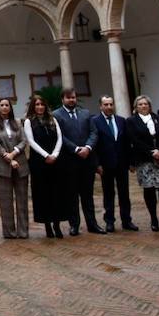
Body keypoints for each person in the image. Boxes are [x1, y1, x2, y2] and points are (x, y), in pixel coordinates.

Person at [53, 88, 103, 235]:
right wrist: (76, 149)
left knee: (88, 195)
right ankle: (74, 225)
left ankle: (92, 224)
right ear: (62, 99)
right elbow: (60, 135)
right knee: (72, 195)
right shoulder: (56, 115)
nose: (71, 100)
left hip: (87, 160)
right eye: (68, 98)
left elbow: (94, 132)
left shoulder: (86, 113)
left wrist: (87, 147)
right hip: (70, 161)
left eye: (73, 97)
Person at [124, 95, 159, 232]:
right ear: (136, 107)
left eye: (146, 104)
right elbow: (134, 140)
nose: (143, 106)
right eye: (140, 104)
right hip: (145, 160)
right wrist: (151, 152)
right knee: (150, 190)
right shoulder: (131, 121)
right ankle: (154, 219)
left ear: (150, 105)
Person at [24, 95, 69, 238]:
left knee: (56, 192)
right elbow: (31, 141)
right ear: (33, 106)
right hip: (39, 162)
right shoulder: (28, 122)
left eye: (42, 104)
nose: (39, 107)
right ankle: (48, 225)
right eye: (37, 104)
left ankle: (57, 224)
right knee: (42, 193)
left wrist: (55, 154)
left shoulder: (53, 119)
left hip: (55, 161)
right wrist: (46, 156)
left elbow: (60, 138)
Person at [93, 96, 138, 232]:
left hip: (122, 163)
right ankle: (109, 221)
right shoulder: (95, 121)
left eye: (111, 104)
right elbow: (94, 145)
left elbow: (127, 143)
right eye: (106, 104)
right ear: (101, 106)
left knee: (124, 193)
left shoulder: (121, 121)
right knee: (108, 193)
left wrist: (131, 162)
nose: (109, 107)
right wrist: (97, 164)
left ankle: (126, 220)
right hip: (106, 164)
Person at [0, 96, 29, 240]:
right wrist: (8, 157)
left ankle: (23, 232)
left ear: (10, 107)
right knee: (6, 202)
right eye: (2, 105)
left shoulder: (17, 122)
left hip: (20, 164)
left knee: (22, 200)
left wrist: (14, 153)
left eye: (7, 105)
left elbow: (24, 140)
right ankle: (9, 232)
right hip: (2, 166)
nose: (5, 107)